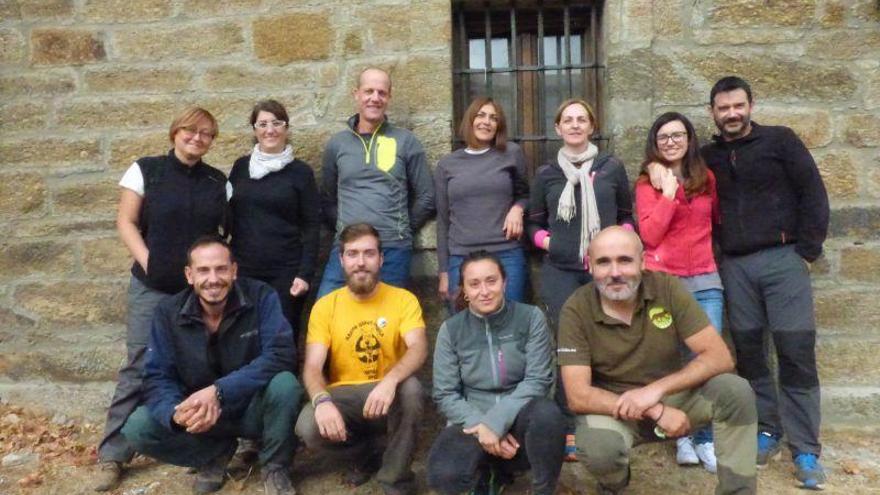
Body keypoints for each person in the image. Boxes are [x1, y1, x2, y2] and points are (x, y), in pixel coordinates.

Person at [649, 76, 830, 490]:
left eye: (738, 106)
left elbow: (813, 193)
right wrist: (658, 166)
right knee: (750, 353)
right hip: (734, 265)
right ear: (712, 112)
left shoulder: (781, 142)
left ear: (750, 105)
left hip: (783, 259)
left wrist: (807, 250)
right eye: (723, 108)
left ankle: (805, 448)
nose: (731, 114)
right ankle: (767, 430)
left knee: (795, 350)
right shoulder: (707, 157)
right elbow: (671, 164)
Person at [558, 226, 757, 495]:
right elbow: (578, 395)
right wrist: (654, 409)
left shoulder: (666, 288)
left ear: (642, 262)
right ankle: (614, 484)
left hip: (671, 395)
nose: (615, 272)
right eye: (603, 262)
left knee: (735, 391)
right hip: (614, 407)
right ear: (590, 267)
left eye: (625, 260)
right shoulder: (575, 309)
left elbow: (720, 357)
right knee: (599, 448)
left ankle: (738, 490)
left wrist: (656, 392)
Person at [95, 106, 229, 491]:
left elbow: (224, 236)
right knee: (139, 365)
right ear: (175, 133)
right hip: (151, 288)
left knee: (200, 367)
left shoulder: (218, 182)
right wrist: (149, 261)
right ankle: (113, 454)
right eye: (190, 130)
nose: (197, 138)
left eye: (206, 134)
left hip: (197, 293)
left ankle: (204, 451)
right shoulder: (145, 170)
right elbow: (126, 221)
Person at [121, 237, 301, 495]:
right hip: (200, 416)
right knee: (138, 427)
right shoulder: (168, 313)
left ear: (234, 271)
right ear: (189, 275)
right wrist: (176, 413)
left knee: (286, 385)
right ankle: (213, 454)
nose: (213, 279)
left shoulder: (261, 296)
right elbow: (157, 376)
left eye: (221, 269)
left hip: (251, 408)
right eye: (203, 270)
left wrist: (219, 391)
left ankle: (275, 466)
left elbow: (281, 354)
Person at [295, 223, 427, 495]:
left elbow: (418, 348)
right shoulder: (325, 306)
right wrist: (321, 401)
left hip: (389, 394)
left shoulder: (403, 300)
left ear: (381, 259)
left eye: (368, 253)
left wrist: (390, 381)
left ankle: (395, 478)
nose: (361, 262)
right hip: (347, 397)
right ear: (341, 260)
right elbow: (312, 367)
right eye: (352, 254)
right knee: (307, 426)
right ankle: (366, 454)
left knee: (412, 389)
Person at [427, 251, 565, 495]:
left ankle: (543, 489)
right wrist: (483, 427)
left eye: (491, 281)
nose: (484, 291)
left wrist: (497, 423)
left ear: (505, 282)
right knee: (443, 475)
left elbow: (538, 380)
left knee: (548, 415)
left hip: (521, 416)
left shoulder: (531, 318)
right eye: (474, 284)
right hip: (472, 422)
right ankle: (489, 474)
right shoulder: (451, 330)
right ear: (464, 291)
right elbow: (445, 393)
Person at [635, 112, 722, 472]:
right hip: (664, 282)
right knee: (670, 361)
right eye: (663, 137)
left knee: (707, 361)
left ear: (690, 139)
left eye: (678, 135)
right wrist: (669, 195)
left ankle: (705, 438)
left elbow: (715, 221)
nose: (671, 142)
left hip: (705, 281)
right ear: (655, 143)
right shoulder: (646, 184)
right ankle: (681, 435)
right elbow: (650, 235)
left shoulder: (707, 179)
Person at [318, 67, 435, 297]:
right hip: (347, 248)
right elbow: (327, 198)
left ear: (389, 97)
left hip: (392, 249)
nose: (375, 98)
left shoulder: (405, 141)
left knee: (386, 322)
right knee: (326, 310)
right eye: (368, 91)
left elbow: (427, 195)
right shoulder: (337, 145)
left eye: (381, 92)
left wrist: (402, 228)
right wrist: (344, 229)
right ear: (356, 94)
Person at [526, 98, 634, 330]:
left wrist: (622, 244)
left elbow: (625, 215)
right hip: (561, 270)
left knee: (613, 334)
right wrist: (551, 244)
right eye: (568, 120)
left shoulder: (611, 166)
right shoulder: (546, 173)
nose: (575, 125)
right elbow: (533, 224)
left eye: (581, 120)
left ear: (591, 127)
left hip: (608, 267)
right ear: (558, 128)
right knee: (569, 335)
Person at [229, 99, 320, 341]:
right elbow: (229, 217)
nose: (270, 130)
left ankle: (284, 380)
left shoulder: (301, 173)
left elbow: (312, 226)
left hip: (286, 272)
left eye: (277, 123)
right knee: (243, 336)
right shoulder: (240, 168)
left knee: (281, 335)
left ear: (286, 128)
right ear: (254, 130)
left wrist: (305, 274)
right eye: (263, 124)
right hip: (244, 269)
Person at [434, 97, 530, 308]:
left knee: (512, 324)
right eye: (481, 115)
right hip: (461, 257)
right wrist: (443, 271)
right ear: (470, 120)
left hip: (506, 253)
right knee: (463, 329)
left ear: (499, 126)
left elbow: (526, 194)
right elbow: (442, 220)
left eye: (493, 118)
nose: (487, 122)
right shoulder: (447, 165)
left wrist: (517, 209)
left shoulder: (510, 153)